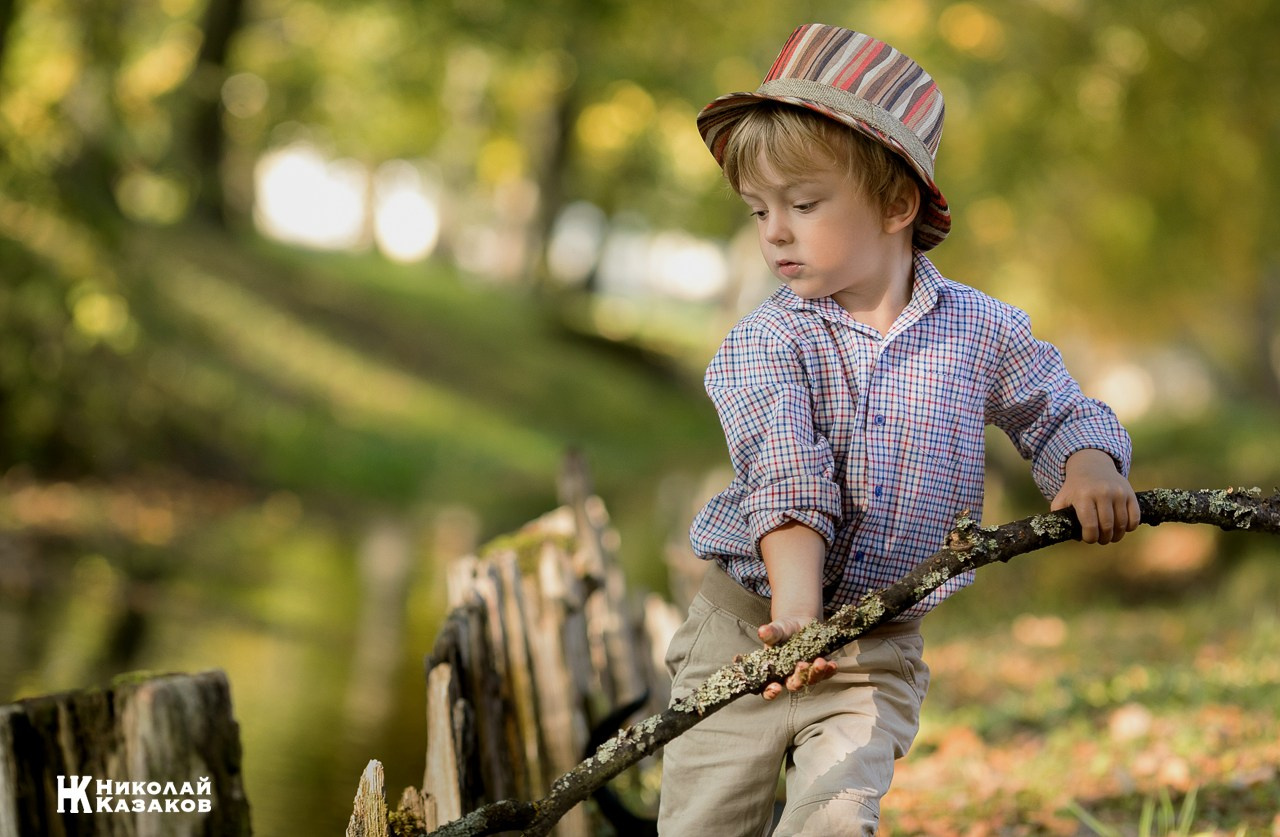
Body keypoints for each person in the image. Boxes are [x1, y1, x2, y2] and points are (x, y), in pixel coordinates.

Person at [657, 23, 1141, 836]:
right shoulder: (767, 341)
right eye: (758, 210)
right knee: (703, 823)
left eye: (803, 204)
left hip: (873, 650)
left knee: (835, 820)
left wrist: (1088, 462)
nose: (775, 230)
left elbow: (1053, 406)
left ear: (896, 203)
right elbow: (787, 472)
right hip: (747, 629)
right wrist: (797, 605)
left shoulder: (980, 332)